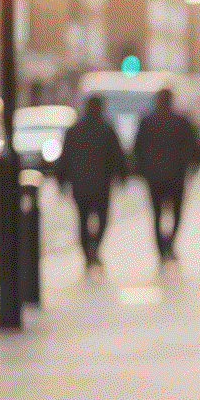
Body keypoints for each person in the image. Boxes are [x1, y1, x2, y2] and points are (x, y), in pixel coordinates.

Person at [56, 94, 128, 272]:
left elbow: (64, 158)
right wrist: (121, 176)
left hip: (80, 186)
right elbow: (117, 156)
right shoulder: (107, 129)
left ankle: (89, 255)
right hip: (101, 185)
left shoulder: (74, 130)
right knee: (102, 220)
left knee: (82, 220)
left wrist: (61, 181)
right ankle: (94, 249)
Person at [133, 85, 200, 264]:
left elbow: (138, 148)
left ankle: (161, 250)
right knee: (177, 213)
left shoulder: (147, 121)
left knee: (156, 213)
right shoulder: (181, 120)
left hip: (154, 176)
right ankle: (169, 245)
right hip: (176, 174)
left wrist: (143, 170)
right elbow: (193, 147)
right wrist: (190, 167)